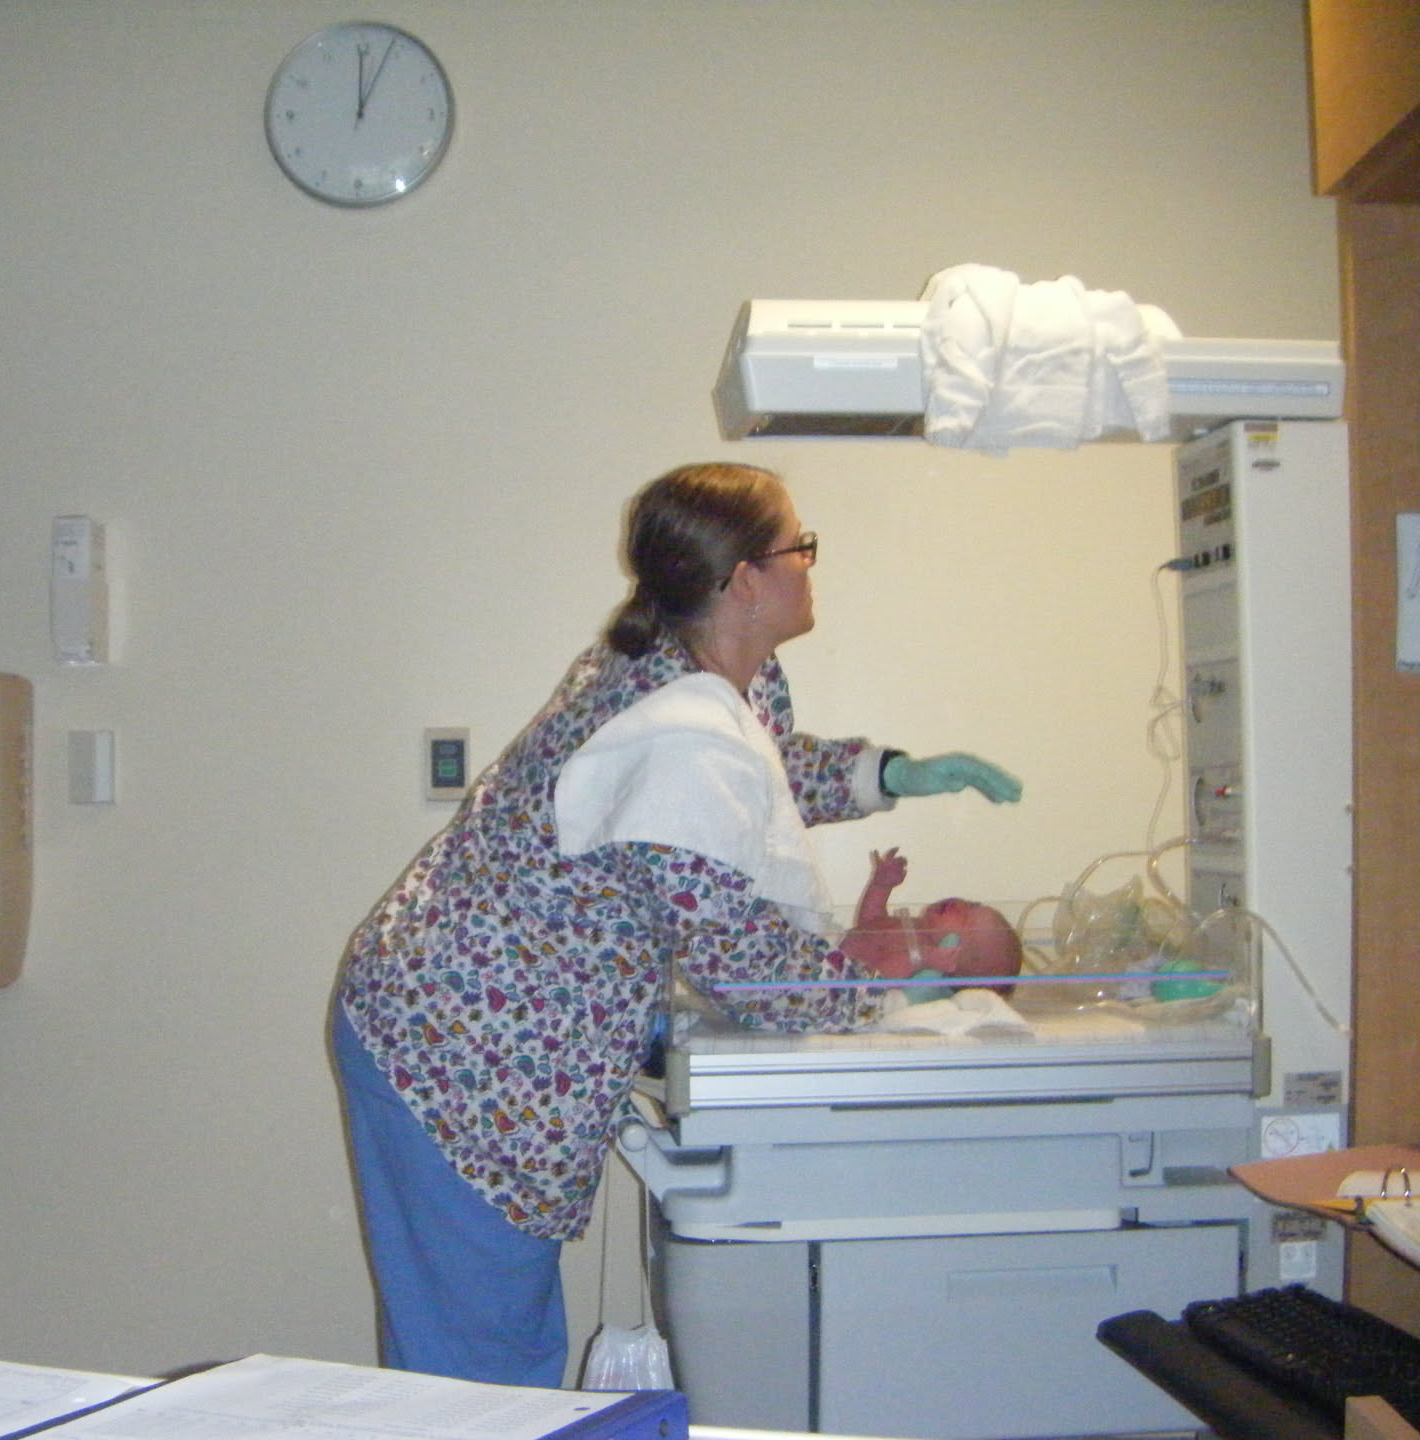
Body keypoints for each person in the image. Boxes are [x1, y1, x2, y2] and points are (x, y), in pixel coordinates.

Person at [330, 461, 1021, 1388]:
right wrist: (885, 1003)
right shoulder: (673, 728)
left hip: (481, 1021)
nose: (812, 564)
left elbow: (758, 773)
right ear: (744, 581)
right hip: (461, 1045)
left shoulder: (698, 666)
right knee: (480, 1365)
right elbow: (740, 955)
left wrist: (886, 774)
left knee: (493, 1341)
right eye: (800, 548)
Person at [840, 846, 1025, 993]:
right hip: (830, 959)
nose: (960, 905)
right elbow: (869, 924)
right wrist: (881, 886)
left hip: (839, 986)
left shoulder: (920, 966)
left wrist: (919, 959)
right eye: (971, 904)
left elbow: (876, 982)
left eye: (966, 919)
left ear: (950, 956)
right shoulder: (911, 927)